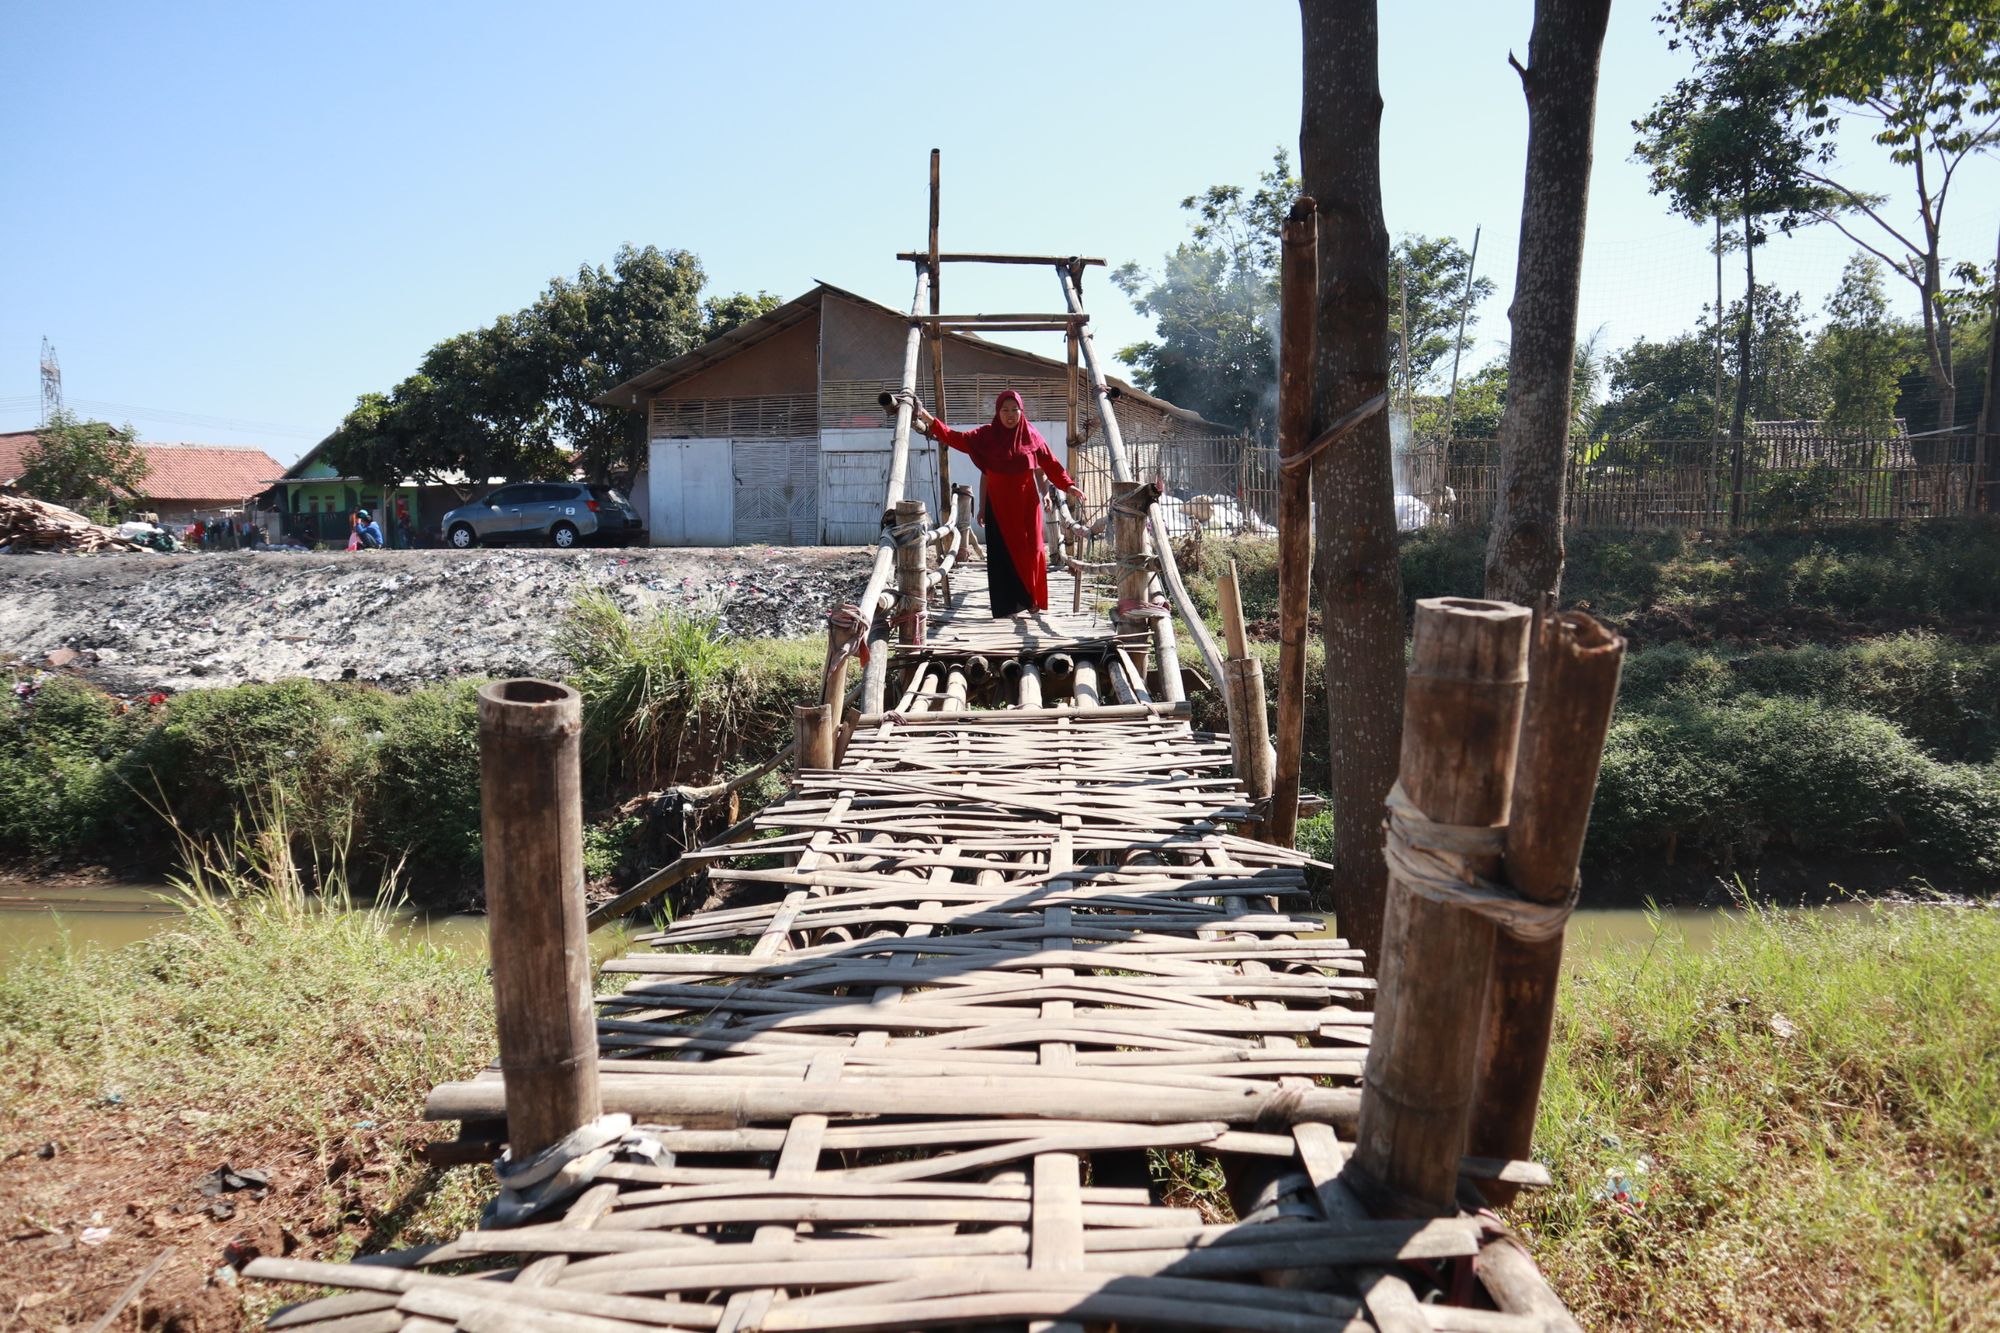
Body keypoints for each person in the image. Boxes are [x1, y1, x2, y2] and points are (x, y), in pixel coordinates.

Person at [914, 391, 1084, 619]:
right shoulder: (986, 436)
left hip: (1026, 505)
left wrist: (1068, 486)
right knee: (1003, 555)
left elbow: (1050, 464)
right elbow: (955, 438)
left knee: (1033, 550)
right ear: (997, 412)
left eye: (1015, 410)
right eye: (1005, 410)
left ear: (1022, 411)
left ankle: (1032, 599)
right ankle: (1008, 605)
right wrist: (927, 418)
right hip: (999, 505)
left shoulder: (1032, 436)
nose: (1010, 415)